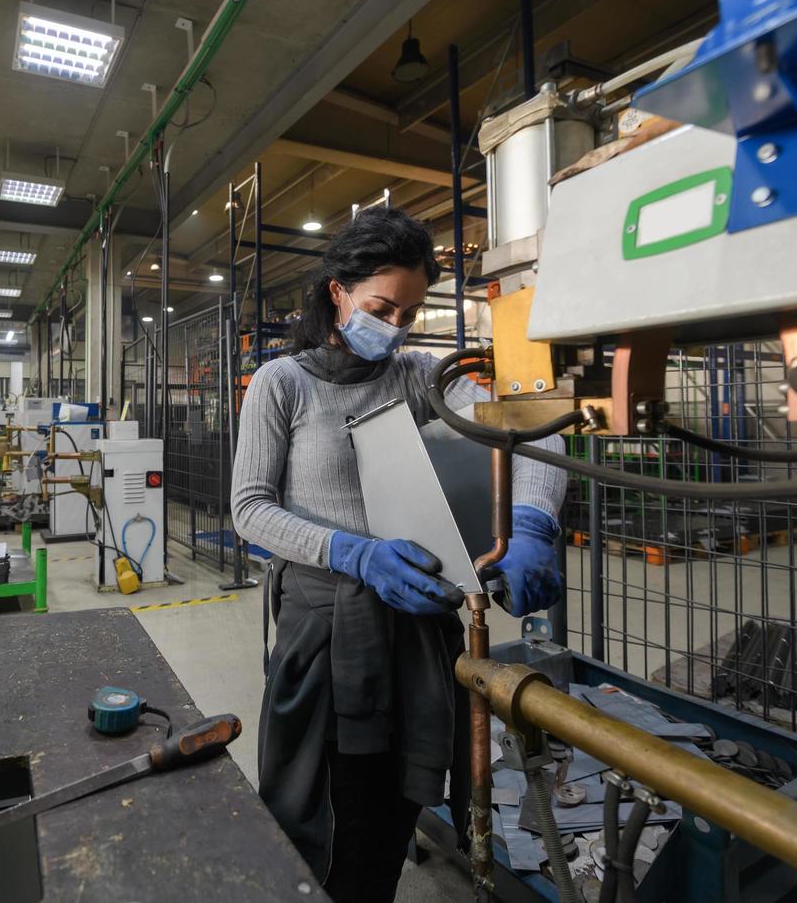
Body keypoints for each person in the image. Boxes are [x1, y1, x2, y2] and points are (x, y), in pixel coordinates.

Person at [231, 207, 568, 902]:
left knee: (387, 813)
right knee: (317, 807)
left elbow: (535, 431)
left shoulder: (420, 377)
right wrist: (352, 553)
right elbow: (250, 511)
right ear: (338, 293)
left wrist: (532, 521)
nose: (394, 325)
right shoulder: (281, 383)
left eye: (410, 312)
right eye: (382, 306)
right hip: (323, 633)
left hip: (416, 629)